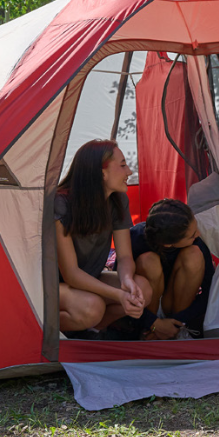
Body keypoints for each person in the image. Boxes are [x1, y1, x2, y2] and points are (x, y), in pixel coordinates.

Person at [57, 140, 153, 335]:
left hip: (89, 279)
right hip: (54, 285)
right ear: (102, 173)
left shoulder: (118, 200)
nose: (129, 172)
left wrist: (127, 280)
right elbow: (71, 274)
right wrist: (119, 295)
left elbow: (124, 256)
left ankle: (91, 331)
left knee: (142, 289)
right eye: (123, 165)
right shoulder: (61, 203)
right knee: (93, 307)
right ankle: (48, 334)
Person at [131, 199, 215, 340]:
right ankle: (146, 332)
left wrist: (179, 321)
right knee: (148, 261)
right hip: (145, 307)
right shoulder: (135, 238)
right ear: (168, 244)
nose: (198, 234)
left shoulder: (197, 244)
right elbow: (121, 288)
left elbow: (211, 289)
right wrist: (151, 322)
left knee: (194, 254)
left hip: (176, 307)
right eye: (192, 235)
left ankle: (177, 331)